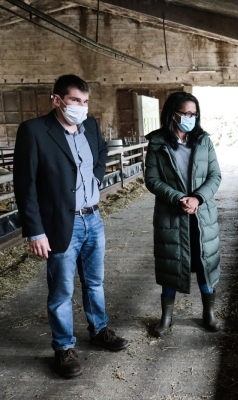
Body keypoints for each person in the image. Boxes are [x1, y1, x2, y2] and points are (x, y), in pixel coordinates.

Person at [13, 74, 129, 379]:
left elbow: (102, 152)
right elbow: (25, 185)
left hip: (93, 217)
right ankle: (63, 348)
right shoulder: (35, 131)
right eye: (75, 100)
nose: (81, 107)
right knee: (62, 290)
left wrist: (96, 177)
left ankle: (99, 329)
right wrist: (35, 231)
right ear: (57, 100)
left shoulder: (89, 126)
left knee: (95, 282)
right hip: (59, 223)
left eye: (85, 101)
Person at [144, 92, 222, 336]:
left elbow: (215, 176)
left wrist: (197, 198)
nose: (190, 117)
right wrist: (178, 197)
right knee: (171, 263)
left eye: (194, 113)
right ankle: (166, 317)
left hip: (202, 214)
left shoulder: (203, 140)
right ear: (172, 114)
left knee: (204, 263)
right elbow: (152, 179)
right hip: (171, 214)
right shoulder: (157, 142)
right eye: (186, 113)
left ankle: (208, 313)